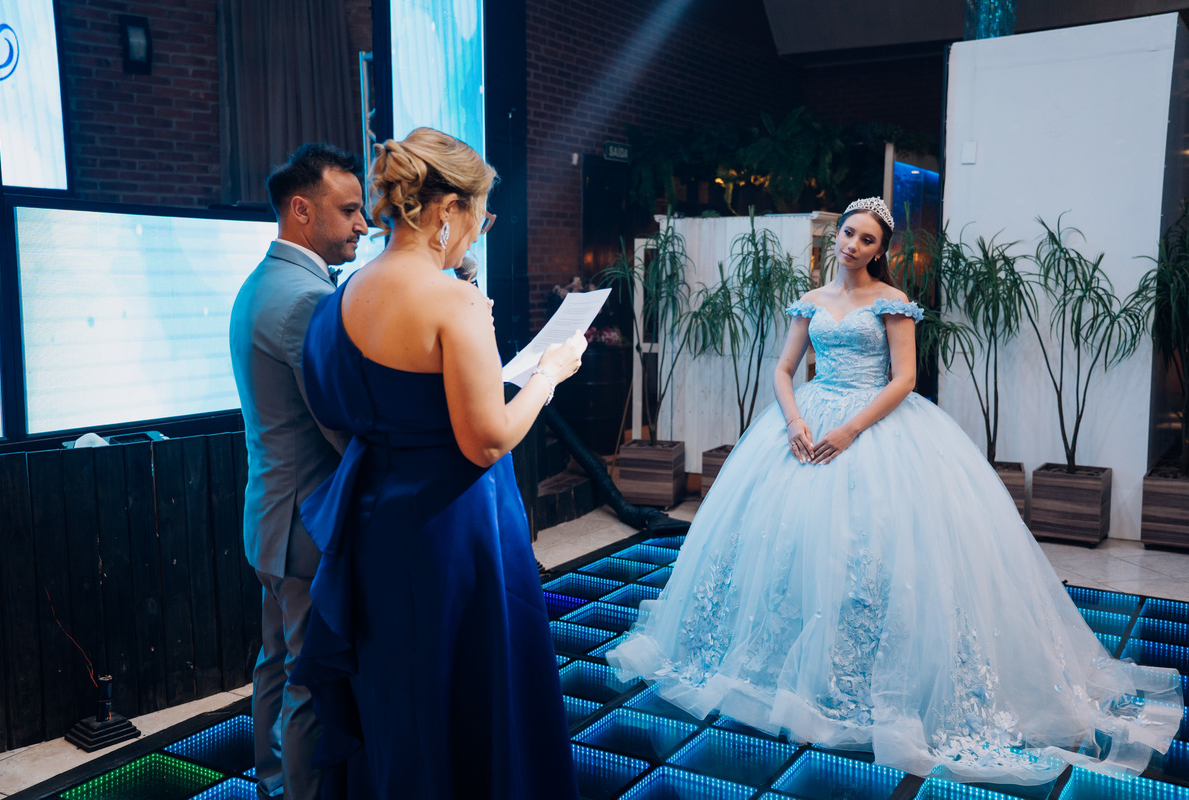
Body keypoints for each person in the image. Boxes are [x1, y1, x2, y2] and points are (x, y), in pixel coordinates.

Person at [606, 197, 1184, 785]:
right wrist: (795, 421)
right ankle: (784, 666)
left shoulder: (892, 301)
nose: (853, 246)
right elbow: (783, 370)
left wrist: (850, 430)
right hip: (809, 420)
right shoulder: (811, 300)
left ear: (881, 251)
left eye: (867, 240)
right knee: (792, 546)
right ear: (836, 236)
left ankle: (864, 672)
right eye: (848, 234)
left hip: (874, 426)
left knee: (872, 547)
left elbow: (905, 379)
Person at [290, 127, 585, 799]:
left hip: (374, 524)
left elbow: (335, 406)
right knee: (470, 692)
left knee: (399, 697)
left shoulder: (342, 298)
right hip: (453, 529)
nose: (479, 230)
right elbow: (487, 440)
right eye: (481, 214)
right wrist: (550, 373)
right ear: (448, 209)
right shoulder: (451, 300)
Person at [230, 143, 367, 800]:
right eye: (350, 210)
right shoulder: (306, 299)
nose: (364, 223)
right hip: (305, 527)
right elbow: (339, 423)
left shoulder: (260, 282)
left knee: (276, 666)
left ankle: (272, 784)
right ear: (302, 210)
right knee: (309, 682)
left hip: (270, 516)